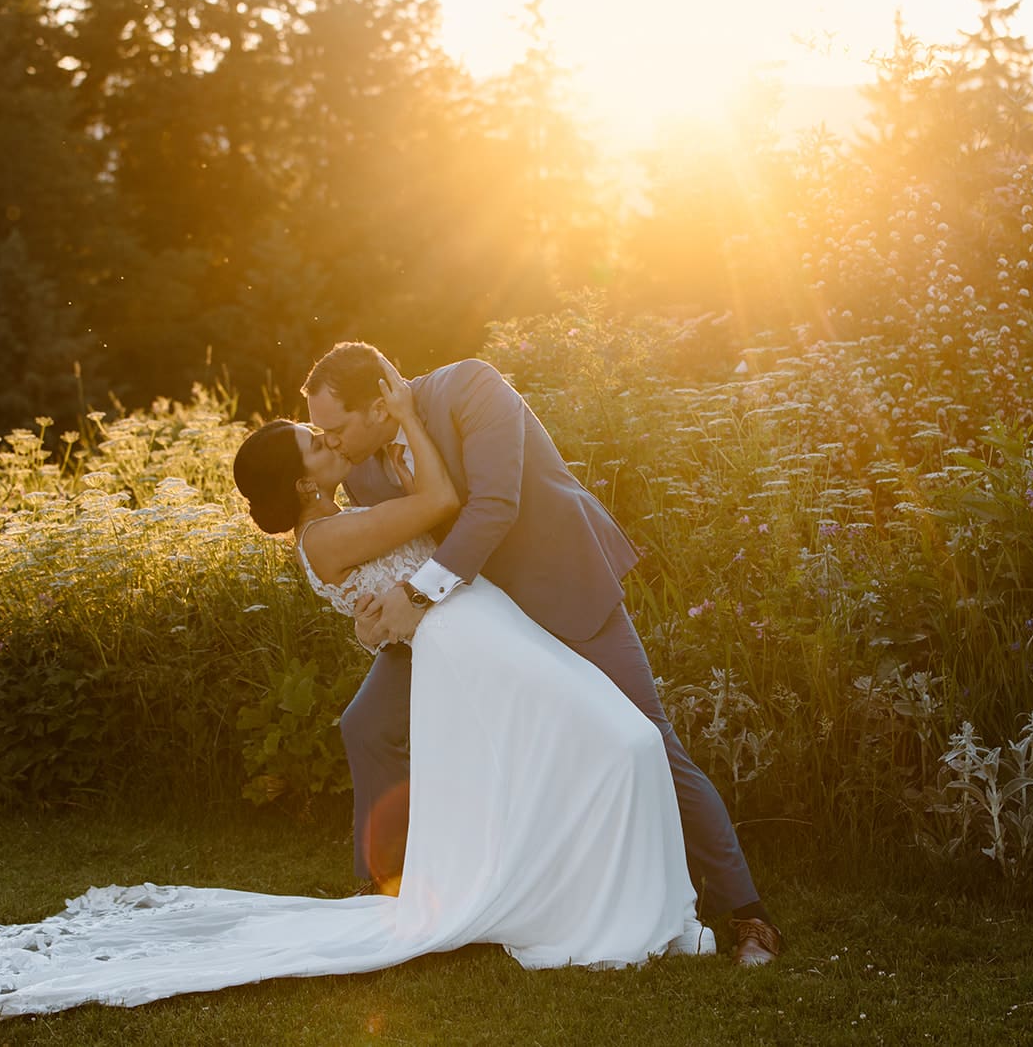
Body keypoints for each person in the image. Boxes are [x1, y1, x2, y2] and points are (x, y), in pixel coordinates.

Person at [0, 358, 710, 1019]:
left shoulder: (345, 503)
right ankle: (607, 914)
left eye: (325, 434)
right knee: (626, 742)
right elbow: (441, 502)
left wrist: (399, 438)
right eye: (316, 446)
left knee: (610, 744)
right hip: (467, 640)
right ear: (301, 485)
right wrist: (410, 417)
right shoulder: (325, 535)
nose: (333, 445)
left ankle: (593, 898)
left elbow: (429, 519)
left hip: (487, 623)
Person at [302, 342, 783, 965]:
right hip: (464, 621)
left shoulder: (471, 388)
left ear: (377, 404)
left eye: (336, 428)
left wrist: (419, 596)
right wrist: (370, 624)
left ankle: (748, 914)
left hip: (557, 590)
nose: (332, 443)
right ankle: (396, 891)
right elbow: (372, 556)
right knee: (367, 723)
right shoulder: (363, 468)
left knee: (648, 738)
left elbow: (495, 505)